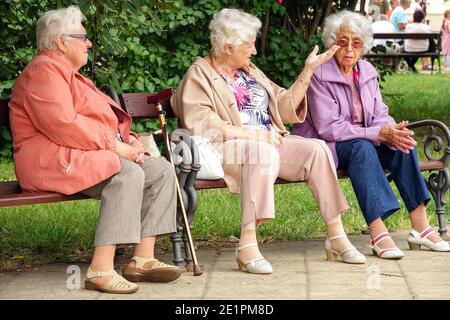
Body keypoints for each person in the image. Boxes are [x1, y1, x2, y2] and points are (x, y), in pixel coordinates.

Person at [171, 8, 367, 275]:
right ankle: (247, 244)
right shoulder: (199, 75)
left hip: (267, 141)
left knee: (317, 149)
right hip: (225, 148)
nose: (253, 51)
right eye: (249, 45)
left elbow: (284, 106)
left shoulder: (249, 72)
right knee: (261, 153)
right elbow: (204, 126)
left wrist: (307, 72)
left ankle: (336, 235)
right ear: (229, 47)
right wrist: (257, 136)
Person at [8, 6, 181, 294]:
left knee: (160, 169)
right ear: (62, 41)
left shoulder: (69, 74)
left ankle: (143, 258)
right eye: (83, 37)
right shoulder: (42, 71)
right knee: (124, 172)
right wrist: (116, 148)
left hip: (82, 154)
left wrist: (131, 141)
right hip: (50, 160)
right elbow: (64, 125)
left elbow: (104, 121)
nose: (89, 43)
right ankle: (101, 268)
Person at [293, 10, 450, 260]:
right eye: (342, 42)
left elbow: (380, 112)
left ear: (363, 45)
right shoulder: (320, 75)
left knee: (403, 142)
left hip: (362, 140)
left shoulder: (366, 70)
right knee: (362, 147)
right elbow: (328, 127)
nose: (349, 49)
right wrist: (377, 133)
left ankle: (420, 226)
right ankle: (378, 232)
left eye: (356, 43)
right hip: (328, 148)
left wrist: (391, 130)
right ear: (332, 43)